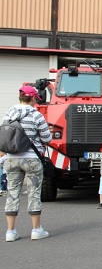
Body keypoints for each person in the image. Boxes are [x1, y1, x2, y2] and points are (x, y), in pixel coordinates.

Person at [3, 85, 52, 242]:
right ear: (32, 98)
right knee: (34, 193)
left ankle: (10, 232)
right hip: (32, 158)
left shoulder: (8, 114)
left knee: (12, 193)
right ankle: (36, 230)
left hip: (11, 159)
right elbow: (47, 139)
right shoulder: (36, 116)